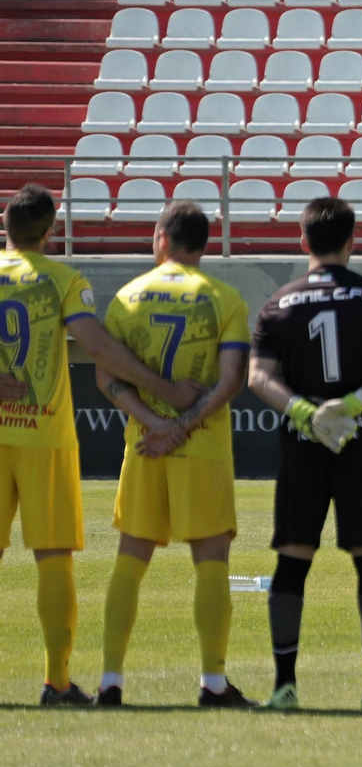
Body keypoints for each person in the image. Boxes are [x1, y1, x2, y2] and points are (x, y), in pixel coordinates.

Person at [1, 185, 203, 706]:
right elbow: (95, 345)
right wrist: (163, 391)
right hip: (43, 435)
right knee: (52, 558)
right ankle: (56, 682)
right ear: (50, 232)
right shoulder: (65, 280)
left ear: (5, 226)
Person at [249, 197, 362, 712]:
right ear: (351, 242)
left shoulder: (278, 302)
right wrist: (349, 406)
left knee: (291, 561)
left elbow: (258, 378)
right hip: (360, 444)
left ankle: (283, 689)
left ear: (303, 241)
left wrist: (307, 412)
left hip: (302, 446)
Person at [95, 201, 255, 707]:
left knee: (130, 560)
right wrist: (183, 425)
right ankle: (213, 683)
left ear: (161, 238)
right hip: (202, 447)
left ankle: (110, 682)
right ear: (204, 245)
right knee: (211, 562)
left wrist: (156, 424)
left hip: (144, 447)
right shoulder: (225, 299)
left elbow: (105, 376)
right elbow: (232, 379)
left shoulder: (127, 297)